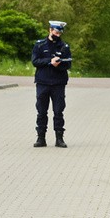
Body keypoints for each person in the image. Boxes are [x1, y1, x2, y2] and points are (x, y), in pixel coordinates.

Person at [32, 20, 73, 148]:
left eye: (60, 33)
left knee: (58, 111)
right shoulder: (40, 45)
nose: (58, 35)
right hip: (43, 82)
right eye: (56, 32)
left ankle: (59, 138)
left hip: (58, 83)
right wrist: (50, 62)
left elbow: (68, 64)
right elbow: (35, 61)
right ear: (50, 30)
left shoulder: (64, 47)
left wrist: (59, 64)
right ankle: (41, 138)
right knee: (41, 111)